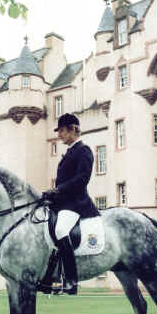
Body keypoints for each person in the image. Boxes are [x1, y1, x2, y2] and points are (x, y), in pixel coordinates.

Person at [42, 113, 99, 295]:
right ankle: (48, 278)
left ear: (73, 129)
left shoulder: (84, 150)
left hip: (76, 203)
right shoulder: (69, 152)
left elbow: (82, 179)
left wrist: (58, 190)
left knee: (60, 231)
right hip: (63, 203)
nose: (59, 135)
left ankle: (71, 281)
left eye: (62, 131)